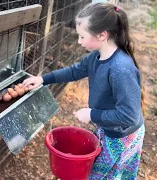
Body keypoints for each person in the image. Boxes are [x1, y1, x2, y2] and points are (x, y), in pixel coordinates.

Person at [22, 2, 145, 179]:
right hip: (110, 127)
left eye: (81, 36)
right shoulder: (96, 56)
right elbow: (75, 71)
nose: (78, 41)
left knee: (105, 175)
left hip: (122, 136)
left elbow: (129, 116)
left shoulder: (120, 69)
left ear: (102, 35)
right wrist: (42, 79)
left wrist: (92, 114)